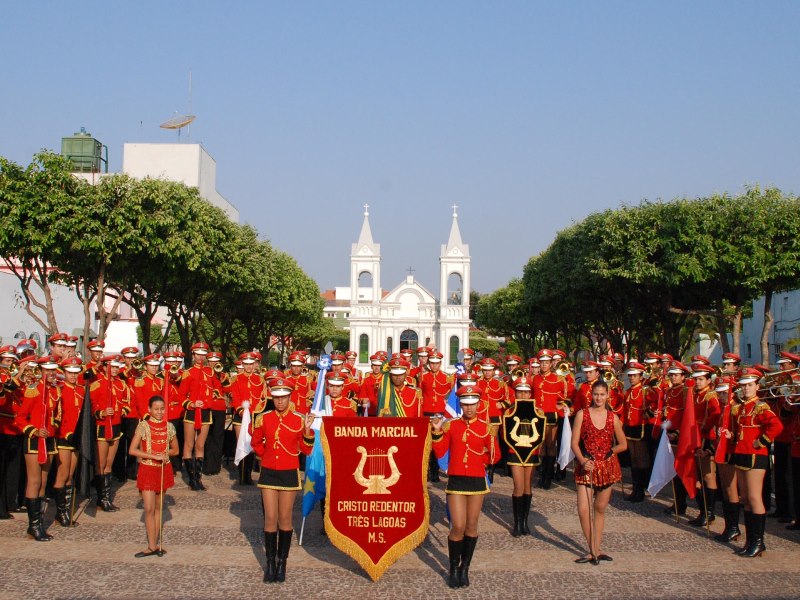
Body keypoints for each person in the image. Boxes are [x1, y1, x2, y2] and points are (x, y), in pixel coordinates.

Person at [431, 385, 500, 588]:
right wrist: (436, 433)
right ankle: (453, 568)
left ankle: (464, 568)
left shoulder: (486, 427)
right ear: (460, 404)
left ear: (479, 404)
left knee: (471, 526)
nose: (469, 408)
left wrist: (486, 457)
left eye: (473, 404)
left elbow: (495, 455)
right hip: (457, 479)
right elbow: (441, 450)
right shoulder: (451, 426)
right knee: (458, 526)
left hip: (477, 480)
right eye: (465, 404)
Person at [250, 378, 315, 584]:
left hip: (289, 472)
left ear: (290, 397)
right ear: (272, 397)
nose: (280, 401)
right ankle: (269, 563)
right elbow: (256, 441)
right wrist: (264, 455)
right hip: (269, 471)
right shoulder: (264, 418)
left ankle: (282, 563)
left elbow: (306, 450)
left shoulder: (299, 419)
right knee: (270, 517)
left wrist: (306, 431)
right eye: (277, 397)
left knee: (285, 519)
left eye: (284, 397)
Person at [571, 379, 626, 564]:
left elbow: (623, 444)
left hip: (607, 467)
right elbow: (574, 443)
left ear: (607, 395)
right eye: (596, 394)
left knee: (600, 508)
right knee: (583, 509)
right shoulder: (582, 414)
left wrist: (611, 452)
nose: (599, 398)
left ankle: (596, 548)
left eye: (602, 394)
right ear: (591, 395)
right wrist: (582, 460)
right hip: (586, 466)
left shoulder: (613, 417)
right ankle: (593, 548)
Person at [728, 368, 783, 557]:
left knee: (754, 497)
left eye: (750, 385)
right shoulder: (742, 407)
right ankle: (751, 540)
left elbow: (777, 426)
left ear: (757, 386)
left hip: (755, 456)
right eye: (743, 386)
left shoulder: (761, 406)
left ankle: (759, 541)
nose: (746, 389)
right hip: (742, 454)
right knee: (746, 500)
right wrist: (731, 435)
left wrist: (763, 441)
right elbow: (742, 433)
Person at [16, 356, 61, 541]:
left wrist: (53, 427)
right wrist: (34, 431)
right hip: (34, 440)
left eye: (53, 370)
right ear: (41, 370)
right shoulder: (33, 390)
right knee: (34, 481)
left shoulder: (55, 391)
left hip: (49, 440)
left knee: (43, 482)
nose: (51, 373)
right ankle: (33, 526)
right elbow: (20, 418)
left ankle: (39, 522)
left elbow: (57, 416)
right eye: (47, 370)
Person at [128, 395, 179, 557]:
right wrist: (153, 456)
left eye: (162, 409)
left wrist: (166, 453)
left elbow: (176, 449)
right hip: (148, 469)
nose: (159, 412)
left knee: (158, 508)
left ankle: (155, 544)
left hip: (163, 470)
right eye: (156, 409)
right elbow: (132, 450)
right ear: (149, 409)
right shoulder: (143, 426)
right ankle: (151, 545)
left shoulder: (169, 426)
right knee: (148, 508)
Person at [504, 376, 545, 536]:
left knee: (527, 486)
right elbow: (505, 433)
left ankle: (524, 521)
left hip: (531, 451)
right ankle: (517, 522)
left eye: (526, 392)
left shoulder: (538, 411)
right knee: (518, 486)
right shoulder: (509, 411)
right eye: (519, 392)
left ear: (530, 394)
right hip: (515, 452)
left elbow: (540, 434)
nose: (523, 395)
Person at [89, 355, 130, 511]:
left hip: (116, 425)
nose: (114, 370)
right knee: (101, 463)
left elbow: (127, 401)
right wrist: (101, 413)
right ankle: (101, 498)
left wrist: (123, 411)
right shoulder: (97, 384)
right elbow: (91, 406)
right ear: (105, 366)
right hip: (102, 425)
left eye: (116, 367)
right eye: (112, 367)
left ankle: (106, 497)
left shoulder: (122, 384)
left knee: (108, 464)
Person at [177, 342, 215, 491]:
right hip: (192, 412)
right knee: (189, 445)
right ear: (193, 355)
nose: (200, 357)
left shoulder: (210, 372)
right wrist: (191, 404)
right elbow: (181, 396)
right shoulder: (188, 373)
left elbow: (215, 388)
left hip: (205, 412)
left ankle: (198, 478)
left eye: (203, 354)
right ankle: (191, 478)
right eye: (198, 354)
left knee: (200, 445)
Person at [52, 356, 85, 527]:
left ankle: (66, 510)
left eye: (75, 373)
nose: (73, 376)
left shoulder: (81, 390)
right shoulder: (59, 390)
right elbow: (57, 416)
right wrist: (65, 432)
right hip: (64, 437)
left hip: (77, 438)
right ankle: (60, 513)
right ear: (64, 372)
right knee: (62, 474)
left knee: (70, 475)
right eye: (70, 373)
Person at [687, 364, 721, 527]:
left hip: (707, 438)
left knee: (708, 476)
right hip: (694, 438)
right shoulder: (695, 395)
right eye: (696, 379)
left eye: (701, 379)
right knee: (698, 477)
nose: (698, 382)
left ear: (708, 380)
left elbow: (715, 415)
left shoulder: (710, 396)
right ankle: (703, 511)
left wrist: (705, 429)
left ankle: (709, 512)